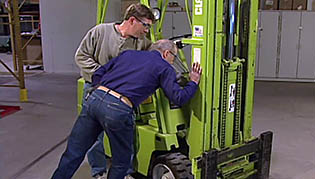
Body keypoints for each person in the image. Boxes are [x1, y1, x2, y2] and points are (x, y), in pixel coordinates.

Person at [51, 39, 202, 179]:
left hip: (94, 100)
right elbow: (179, 98)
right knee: (121, 162)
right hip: (117, 109)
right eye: (173, 58)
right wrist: (193, 82)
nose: (172, 62)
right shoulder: (164, 67)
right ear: (166, 53)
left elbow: (98, 73)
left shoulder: (128, 54)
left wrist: (103, 91)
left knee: (73, 153)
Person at [74, 3, 155, 178]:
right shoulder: (100, 32)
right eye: (146, 25)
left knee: (127, 136)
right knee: (94, 137)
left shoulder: (142, 42)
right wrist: (102, 75)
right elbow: (81, 56)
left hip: (123, 96)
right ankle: (98, 171)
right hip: (95, 90)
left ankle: (125, 172)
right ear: (132, 20)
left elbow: (152, 59)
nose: (147, 30)